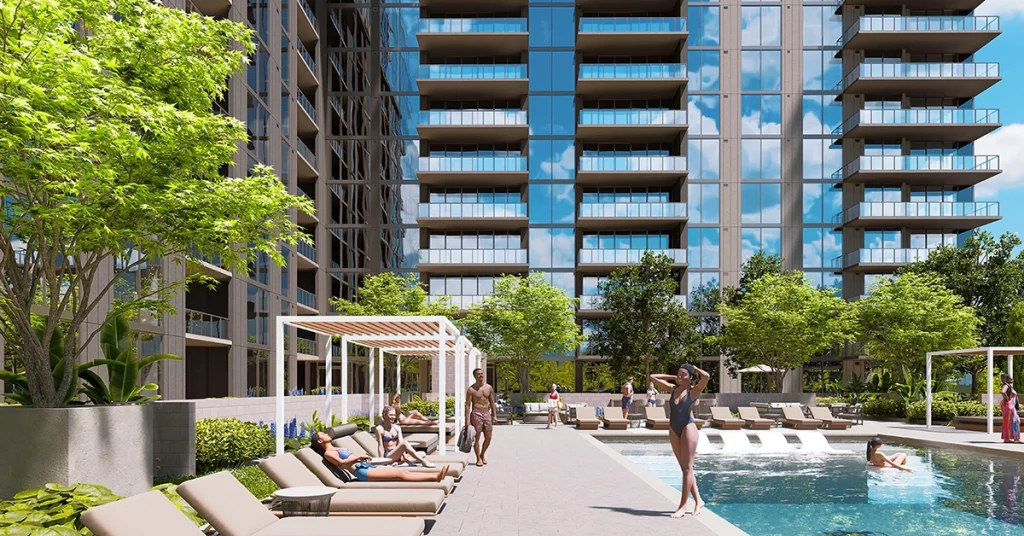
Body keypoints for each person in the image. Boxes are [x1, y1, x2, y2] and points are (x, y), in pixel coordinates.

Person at [650, 365, 709, 518]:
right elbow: (653, 377)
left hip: (688, 428)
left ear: (690, 376)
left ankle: (683, 506)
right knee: (684, 468)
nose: (680, 376)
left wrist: (695, 368)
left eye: (683, 374)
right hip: (673, 429)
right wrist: (673, 377)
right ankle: (699, 501)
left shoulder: (693, 391)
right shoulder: (673, 389)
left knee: (687, 468)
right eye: (678, 374)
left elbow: (706, 377)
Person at [310, 432, 448, 482]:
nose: (326, 433)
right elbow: (343, 463)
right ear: (320, 441)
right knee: (400, 474)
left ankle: (435, 476)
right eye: (323, 434)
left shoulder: (336, 447)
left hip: (367, 467)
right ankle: (435, 477)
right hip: (362, 472)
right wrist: (358, 458)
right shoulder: (328, 453)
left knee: (402, 472)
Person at [465, 367, 496, 467]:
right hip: (476, 413)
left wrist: (494, 415)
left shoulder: (489, 388)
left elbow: (492, 402)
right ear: (474, 376)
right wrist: (467, 420)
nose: (481, 375)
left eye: (482, 374)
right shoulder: (471, 389)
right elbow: (468, 405)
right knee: (477, 438)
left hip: (486, 413)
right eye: (478, 374)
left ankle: (482, 454)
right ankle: (478, 458)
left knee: (488, 437)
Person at [1001, 374, 1021, 444]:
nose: (1012, 380)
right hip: (1008, 405)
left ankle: (1011, 438)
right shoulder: (1006, 385)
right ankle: (1013, 439)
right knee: (1013, 421)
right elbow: (1003, 392)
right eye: (1011, 379)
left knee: (1013, 421)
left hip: (1010, 405)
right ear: (1007, 379)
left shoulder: (1009, 386)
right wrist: (1008, 399)